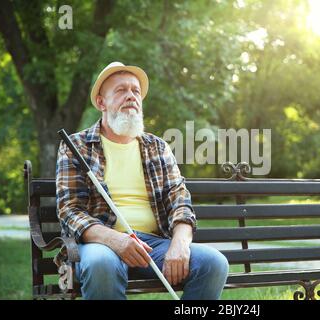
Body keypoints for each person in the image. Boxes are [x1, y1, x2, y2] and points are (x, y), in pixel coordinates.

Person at [55, 62, 229, 300]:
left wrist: (179, 244)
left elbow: (180, 203)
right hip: (101, 243)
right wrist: (117, 241)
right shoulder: (76, 146)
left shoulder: (157, 147)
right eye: (120, 90)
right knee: (101, 265)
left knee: (214, 263)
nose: (131, 96)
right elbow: (70, 210)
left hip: (154, 245)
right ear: (101, 102)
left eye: (135, 91)